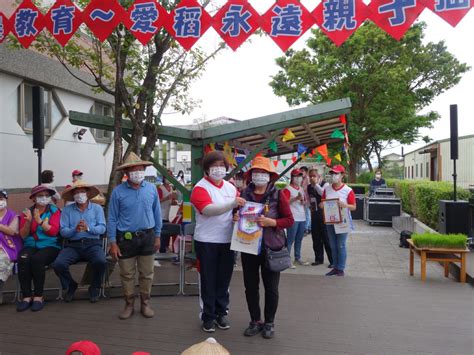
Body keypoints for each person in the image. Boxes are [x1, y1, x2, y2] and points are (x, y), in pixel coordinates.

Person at [236, 156, 293, 339]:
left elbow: (289, 220)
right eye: (256, 172)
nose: (259, 175)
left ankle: (269, 322)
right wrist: (235, 217)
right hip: (248, 245)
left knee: (271, 288)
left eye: (263, 172)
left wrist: (272, 222)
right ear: (251, 175)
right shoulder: (243, 194)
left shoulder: (278, 194)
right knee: (250, 287)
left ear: (270, 176)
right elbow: (235, 214)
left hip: (271, 249)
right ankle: (255, 321)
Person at [190, 151, 245, 333]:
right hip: (206, 241)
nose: (218, 169)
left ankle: (221, 312)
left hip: (228, 240)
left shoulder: (230, 188)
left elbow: (238, 209)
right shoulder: (200, 188)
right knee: (207, 279)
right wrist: (232, 205)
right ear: (206, 169)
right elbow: (208, 210)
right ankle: (207, 316)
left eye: (222, 166)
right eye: (214, 166)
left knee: (224, 279)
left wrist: (238, 214)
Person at [107, 152, 162, 320]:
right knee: (127, 273)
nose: (137, 173)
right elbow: (112, 217)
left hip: (148, 235)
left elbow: (157, 213)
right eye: (133, 170)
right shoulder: (118, 192)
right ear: (126, 173)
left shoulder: (152, 189)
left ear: (144, 170)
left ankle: (145, 303)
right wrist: (112, 242)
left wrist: (158, 235)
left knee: (147, 273)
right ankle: (129, 303)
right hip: (126, 238)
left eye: (140, 170)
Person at [53, 181, 107, 303]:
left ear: (87, 193)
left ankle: (94, 287)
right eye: (76, 193)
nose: (80, 195)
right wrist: (74, 229)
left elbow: (102, 228)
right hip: (73, 245)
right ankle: (71, 285)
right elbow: (63, 231)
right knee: (58, 264)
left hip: (93, 244)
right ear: (73, 196)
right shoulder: (67, 210)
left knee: (101, 261)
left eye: (82, 191)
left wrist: (88, 228)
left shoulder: (97, 208)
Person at [17, 184, 61, 312]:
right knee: (23, 258)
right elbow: (23, 236)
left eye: (47, 195)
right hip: (31, 245)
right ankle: (26, 296)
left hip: (50, 245)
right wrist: (29, 222)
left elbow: (53, 232)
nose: (44, 198)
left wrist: (40, 222)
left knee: (37, 260)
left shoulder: (54, 211)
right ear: (33, 198)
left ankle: (38, 296)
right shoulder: (27, 212)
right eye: (40, 196)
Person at [321, 165, 356, 277]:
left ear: (342, 175)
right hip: (330, 220)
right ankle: (334, 267)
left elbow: (354, 207)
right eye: (332, 174)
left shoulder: (348, 190)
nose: (334, 176)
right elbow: (322, 203)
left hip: (343, 221)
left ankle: (340, 268)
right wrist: (321, 205)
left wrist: (345, 205)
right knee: (332, 245)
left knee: (340, 245)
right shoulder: (327, 189)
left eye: (336, 173)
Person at [283, 169, 309, 267]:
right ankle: (287, 260)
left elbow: (304, 202)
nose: (298, 178)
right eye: (296, 176)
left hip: (302, 217)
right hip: (293, 218)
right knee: (290, 240)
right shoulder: (288, 189)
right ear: (292, 177)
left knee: (299, 239)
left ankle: (297, 258)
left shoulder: (301, 189)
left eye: (300, 176)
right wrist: (295, 199)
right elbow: (284, 203)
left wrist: (303, 201)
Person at [307, 169, 333, 267]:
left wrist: (316, 184)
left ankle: (332, 261)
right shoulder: (309, 187)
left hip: (324, 215)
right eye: (310, 176)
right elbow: (309, 198)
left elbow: (323, 194)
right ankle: (318, 259)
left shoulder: (325, 185)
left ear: (319, 176)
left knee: (326, 238)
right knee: (316, 238)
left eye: (314, 176)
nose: (312, 178)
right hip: (314, 214)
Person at [0, 189, 22, 300]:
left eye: (1, 198)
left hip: (8, 248)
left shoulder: (13, 215)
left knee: (1, 261)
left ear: (5, 200)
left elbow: (12, 231)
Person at [157, 171, 177, 253]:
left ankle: (165, 248)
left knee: (166, 234)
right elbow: (157, 201)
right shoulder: (160, 189)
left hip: (167, 215)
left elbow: (170, 202)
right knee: (163, 234)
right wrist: (167, 198)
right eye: (168, 176)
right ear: (164, 178)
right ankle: (162, 250)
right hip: (160, 215)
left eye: (171, 176)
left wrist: (173, 202)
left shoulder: (171, 188)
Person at [300, 166, 311, 234]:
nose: (301, 172)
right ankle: (309, 227)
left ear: (306, 172)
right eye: (300, 171)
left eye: (302, 171)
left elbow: (309, 189)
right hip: (303, 198)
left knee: (307, 213)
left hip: (307, 199)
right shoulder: (302, 179)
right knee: (306, 213)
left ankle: (306, 228)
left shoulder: (308, 179)